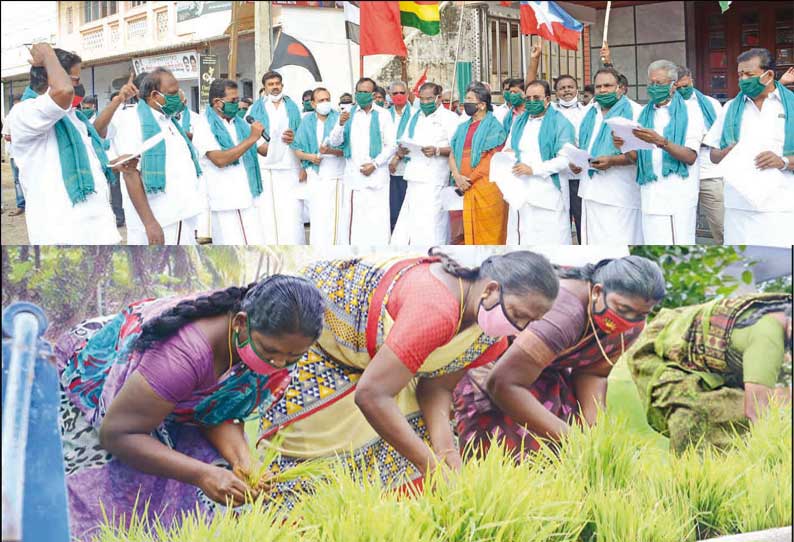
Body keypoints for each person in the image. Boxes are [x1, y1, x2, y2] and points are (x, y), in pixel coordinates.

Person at [257, 249, 560, 510]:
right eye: (518, 314)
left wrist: (446, 454)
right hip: (319, 344)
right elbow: (373, 395)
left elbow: (436, 386)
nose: (519, 328)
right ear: (491, 290)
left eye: (529, 323)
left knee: (404, 460)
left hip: (378, 365)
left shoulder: (490, 335)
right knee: (307, 469)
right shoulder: (435, 308)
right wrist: (429, 463)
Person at [54, 275, 325, 539]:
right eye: (271, 352)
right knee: (113, 505)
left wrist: (243, 460)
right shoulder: (182, 355)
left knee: (214, 494)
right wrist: (202, 474)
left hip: (164, 402)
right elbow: (117, 434)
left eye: (293, 357)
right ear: (241, 323)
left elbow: (218, 410)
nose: (279, 364)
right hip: (104, 397)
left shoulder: (261, 345)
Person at [454, 256, 665, 459]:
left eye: (641, 314)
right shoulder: (565, 313)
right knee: (511, 461)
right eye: (623, 309)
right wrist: (573, 440)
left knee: (564, 458)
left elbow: (592, 373)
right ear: (598, 292)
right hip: (498, 369)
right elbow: (503, 383)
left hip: (542, 372)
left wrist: (596, 437)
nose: (629, 320)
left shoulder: (631, 326)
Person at [625, 293, 792, 453]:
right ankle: (691, 477)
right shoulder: (768, 337)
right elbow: (757, 413)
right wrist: (777, 453)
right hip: (659, 354)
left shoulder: (777, 310)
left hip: (698, 360)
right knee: (719, 414)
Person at [9, 43, 120, 244]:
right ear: (52, 76)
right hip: (61, 233)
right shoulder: (24, 113)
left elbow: (88, 159)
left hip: (98, 230)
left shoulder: (74, 117)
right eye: (75, 79)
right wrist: (47, 53)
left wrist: (113, 164)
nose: (77, 87)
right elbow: (63, 90)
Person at [706, 48, 794, 247]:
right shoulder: (730, 108)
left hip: (780, 206)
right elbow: (713, 155)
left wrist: (783, 162)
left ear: (769, 74)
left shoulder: (790, 105)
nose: (743, 79)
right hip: (739, 207)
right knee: (741, 267)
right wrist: (726, 152)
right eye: (740, 74)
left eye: (749, 74)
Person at [111, 68, 204, 245]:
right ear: (154, 95)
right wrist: (150, 223)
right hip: (160, 219)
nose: (179, 96)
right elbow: (130, 173)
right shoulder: (132, 120)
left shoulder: (169, 120)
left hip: (183, 213)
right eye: (173, 93)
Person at [614, 59, 700, 245]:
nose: (654, 87)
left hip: (678, 195)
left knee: (678, 249)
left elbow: (690, 156)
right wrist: (624, 145)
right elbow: (636, 158)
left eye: (659, 83)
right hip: (650, 194)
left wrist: (660, 141)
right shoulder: (643, 114)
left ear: (673, 85)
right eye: (651, 83)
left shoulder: (691, 111)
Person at [192, 79, 269, 245]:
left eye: (238, 99)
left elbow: (263, 149)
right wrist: (251, 139)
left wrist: (279, 139)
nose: (237, 104)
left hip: (248, 197)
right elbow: (220, 159)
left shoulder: (239, 123)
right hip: (226, 201)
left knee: (257, 245)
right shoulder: (203, 125)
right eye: (233, 101)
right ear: (217, 103)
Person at [502, 80, 576, 244]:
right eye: (528, 98)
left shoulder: (560, 122)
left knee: (550, 241)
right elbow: (508, 148)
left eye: (537, 98)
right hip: (521, 192)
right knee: (521, 240)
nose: (531, 102)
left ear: (547, 99)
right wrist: (507, 155)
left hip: (548, 192)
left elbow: (565, 159)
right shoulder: (519, 122)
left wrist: (533, 169)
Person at [578, 67, 644, 245]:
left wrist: (612, 160)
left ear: (620, 88)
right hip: (590, 190)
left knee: (621, 242)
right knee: (592, 244)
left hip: (621, 193)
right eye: (598, 86)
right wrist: (576, 161)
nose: (602, 90)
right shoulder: (588, 112)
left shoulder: (636, 111)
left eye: (608, 85)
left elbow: (643, 155)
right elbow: (581, 144)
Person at [328, 77, 396, 245]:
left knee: (378, 223)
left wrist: (375, 164)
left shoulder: (384, 115)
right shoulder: (347, 114)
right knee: (355, 225)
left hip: (377, 177)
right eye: (359, 92)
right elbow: (335, 142)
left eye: (366, 92)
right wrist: (340, 125)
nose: (362, 95)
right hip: (355, 178)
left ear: (373, 95)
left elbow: (391, 145)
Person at [392, 82, 460, 245]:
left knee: (433, 221)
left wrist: (437, 150)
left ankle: (434, 252)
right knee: (413, 219)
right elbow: (407, 139)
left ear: (439, 98)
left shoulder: (450, 118)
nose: (424, 103)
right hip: (415, 174)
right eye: (421, 99)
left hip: (435, 176)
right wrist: (402, 151)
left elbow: (457, 148)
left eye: (429, 99)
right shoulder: (416, 117)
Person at [247, 71, 304, 244]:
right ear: (264, 88)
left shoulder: (293, 108)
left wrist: (294, 139)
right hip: (266, 165)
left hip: (289, 163)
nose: (275, 87)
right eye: (270, 84)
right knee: (268, 212)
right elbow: (248, 132)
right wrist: (260, 147)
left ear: (282, 85)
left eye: (277, 83)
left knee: (291, 211)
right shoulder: (254, 109)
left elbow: (301, 133)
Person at [449, 82, 508, 245]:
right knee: (468, 234)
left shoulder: (494, 127)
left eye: (469, 99)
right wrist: (457, 176)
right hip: (464, 184)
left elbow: (492, 158)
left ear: (482, 105)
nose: (465, 102)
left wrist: (469, 179)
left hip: (486, 185)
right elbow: (452, 154)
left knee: (490, 232)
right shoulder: (461, 128)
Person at [675, 65, 724, 244]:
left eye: (685, 86)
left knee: (721, 225)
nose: (682, 91)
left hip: (708, 171)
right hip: (679, 171)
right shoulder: (668, 106)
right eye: (677, 88)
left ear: (691, 80)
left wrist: (699, 140)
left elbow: (721, 134)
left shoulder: (710, 104)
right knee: (683, 227)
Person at [291, 87, 347, 244]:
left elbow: (346, 150)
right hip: (315, 174)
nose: (325, 103)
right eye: (321, 100)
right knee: (318, 216)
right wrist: (309, 159)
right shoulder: (307, 121)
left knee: (335, 217)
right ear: (313, 104)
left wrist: (329, 151)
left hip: (335, 174)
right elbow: (297, 148)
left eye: (327, 99)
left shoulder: (339, 119)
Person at [94, 73, 140, 229]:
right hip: (125, 171)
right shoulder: (123, 115)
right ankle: (119, 217)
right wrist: (118, 100)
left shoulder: (168, 119)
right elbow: (97, 130)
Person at [386, 80, 412, 231]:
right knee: (392, 210)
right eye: (395, 93)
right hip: (388, 170)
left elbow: (412, 139)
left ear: (408, 94)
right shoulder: (384, 115)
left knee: (408, 211)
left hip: (408, 168)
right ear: (390, 95)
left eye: (402, 93)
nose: (399, 96)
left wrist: (397, 158)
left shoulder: (416, 114)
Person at [2, 97, 25, 216]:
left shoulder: (28, 115)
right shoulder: (9, 117)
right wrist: (21, 137)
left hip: (28, 154)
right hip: (15, 154)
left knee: (30, 178)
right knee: (17, 180)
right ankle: (21, 205)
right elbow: (6, 136)